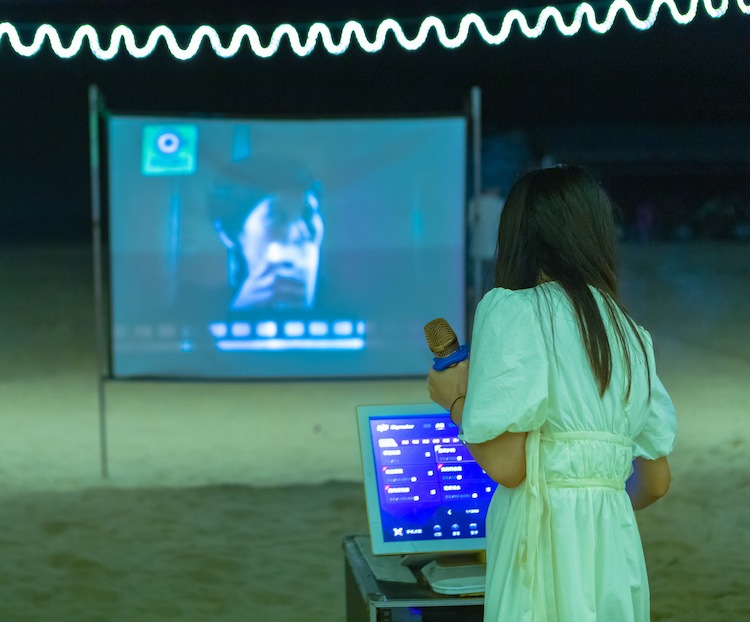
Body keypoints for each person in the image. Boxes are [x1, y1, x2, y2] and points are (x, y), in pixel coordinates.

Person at [428, 165, 676, 622]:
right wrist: (597, 497)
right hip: (615, 550)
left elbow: (508, 466)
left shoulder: (513, 310)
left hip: (541, 544)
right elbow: (656, 482)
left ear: (516, 236)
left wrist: (455, 401)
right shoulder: (631, 335)